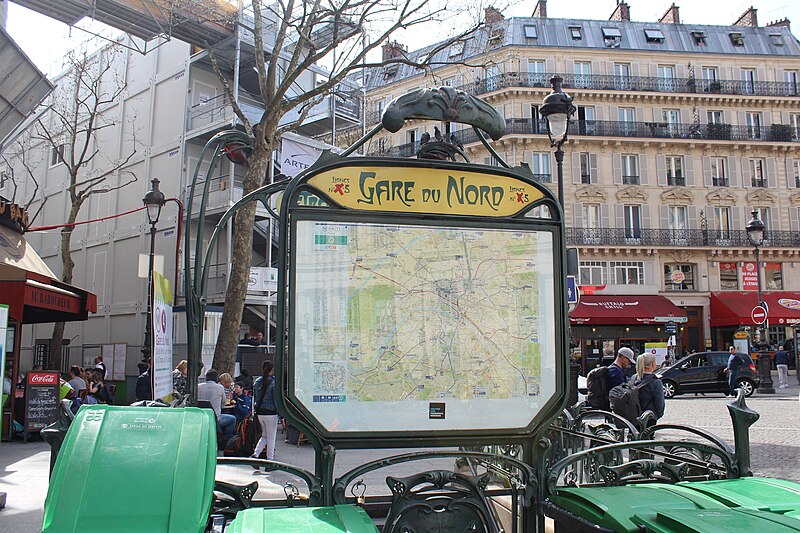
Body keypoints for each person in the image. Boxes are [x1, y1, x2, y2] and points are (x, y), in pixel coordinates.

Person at [198, 369, 237, 446]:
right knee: (233, 419)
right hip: (216, 418)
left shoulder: (198, 386)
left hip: (201, 417)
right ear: (216, 378)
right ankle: (224, 441)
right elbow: (224, 402)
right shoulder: (220, 387)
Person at [250, 361, 278, 466]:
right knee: (271, 438)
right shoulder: (273, 382)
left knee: (264, 436)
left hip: (260, 412)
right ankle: (270, 461)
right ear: (272, 370)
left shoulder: (257, 381)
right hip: (271, 413)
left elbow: (256, 397)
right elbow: (275, 400)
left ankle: (256, 454)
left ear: (262, 369)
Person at [633, 353, 665, 423]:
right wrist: (659, 414)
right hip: (649, 416)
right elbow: (660, 403)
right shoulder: (656, 382)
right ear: (652, 364)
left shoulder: (633, 378)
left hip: (634, 416)